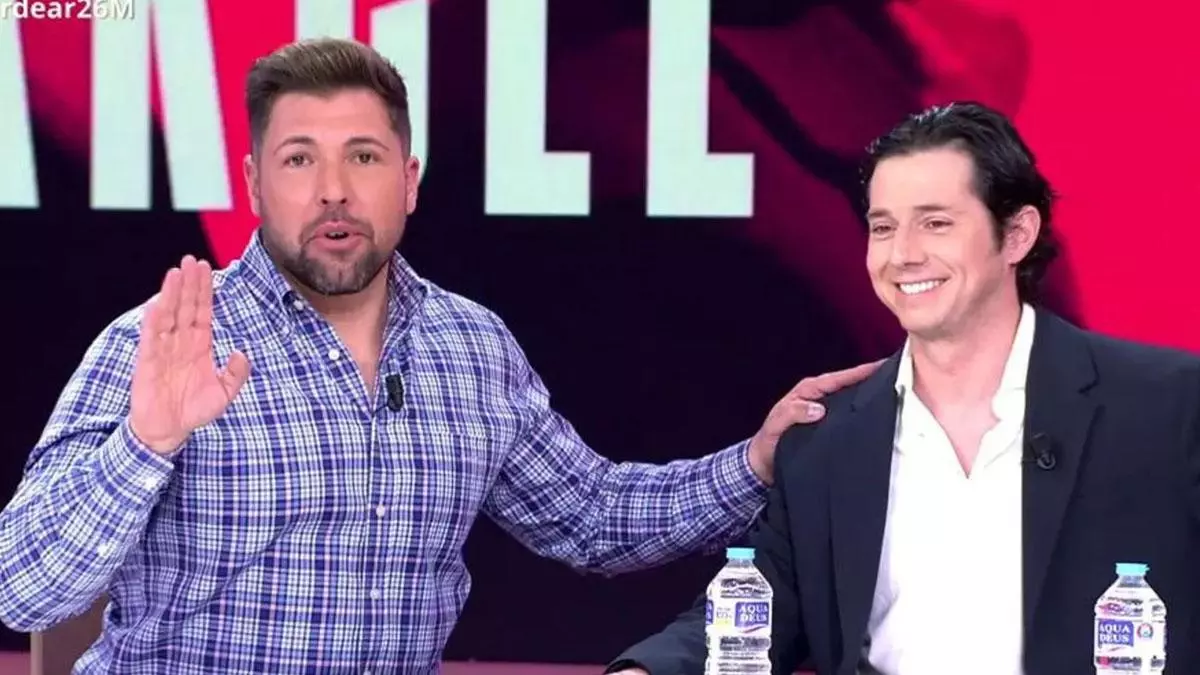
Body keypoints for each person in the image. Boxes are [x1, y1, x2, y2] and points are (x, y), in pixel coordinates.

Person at [0, 38, 880, 673]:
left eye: (364, 156)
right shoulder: (160, 345)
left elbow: (592, 516)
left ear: (410, 181)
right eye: (299, 160)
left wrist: (757, 460)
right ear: (254, 182)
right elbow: (24, 590)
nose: (334, 190)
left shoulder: (470, 346)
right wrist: (145, 444)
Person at [606, 102, 1200, 675]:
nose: (903, 255)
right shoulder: (827, 437)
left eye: (935, 223)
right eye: (883, 228)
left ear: (1017, 234)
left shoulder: (1166, 406)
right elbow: (759, 608)